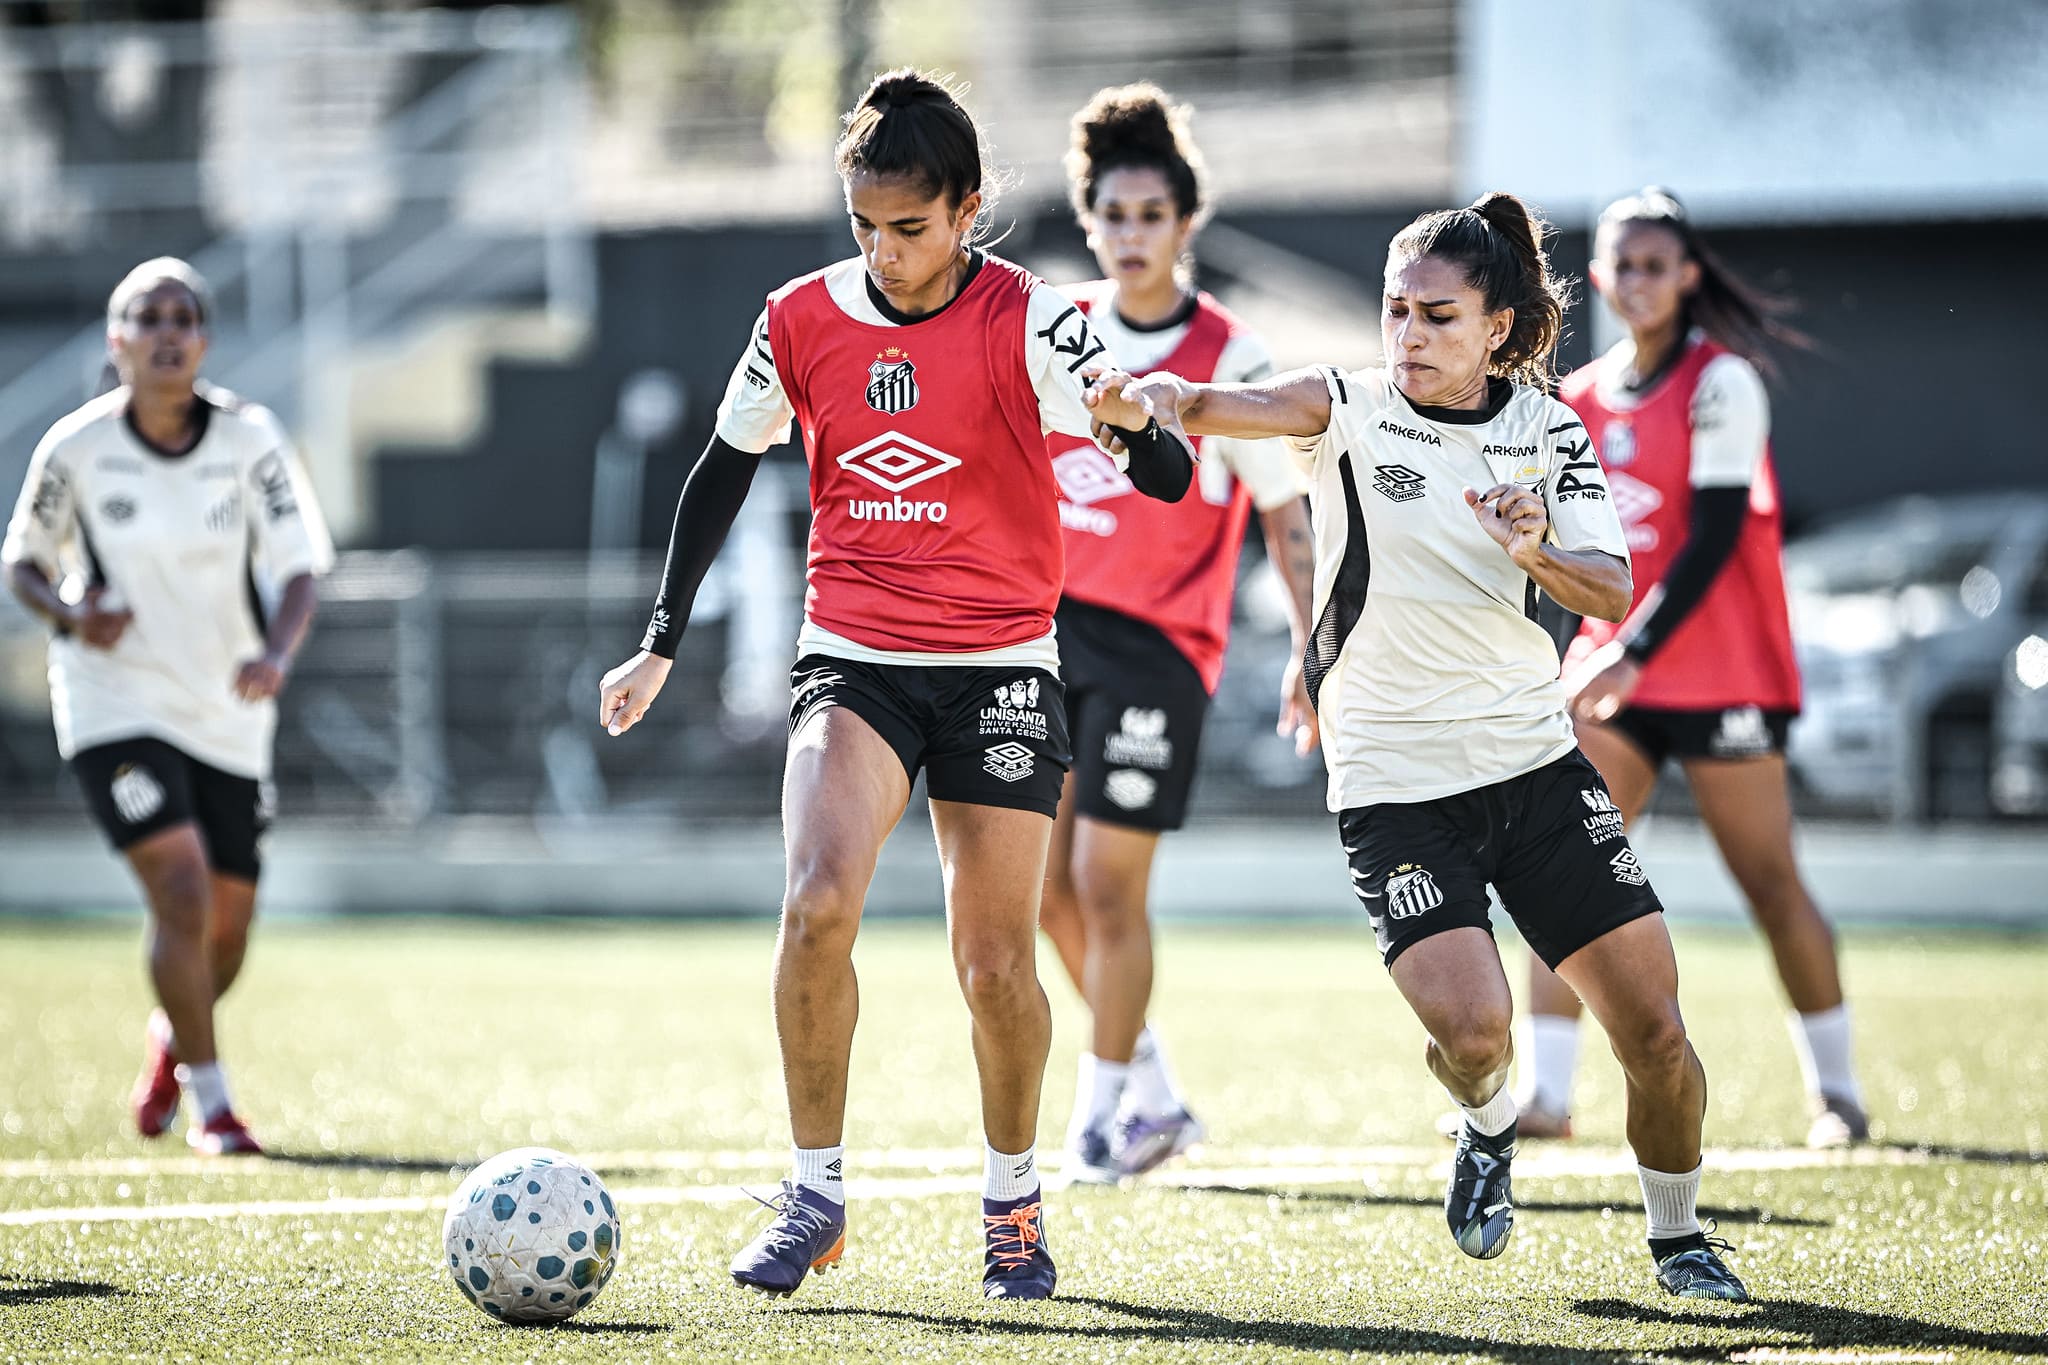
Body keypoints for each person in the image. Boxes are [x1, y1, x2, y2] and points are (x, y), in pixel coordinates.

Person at [595, 69, 1191, 1302]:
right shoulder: (797, 317)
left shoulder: (1034, 319)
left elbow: (1170, 476)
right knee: (815, 904)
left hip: (999, 669)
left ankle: (1012, 1202)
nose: (885, 253)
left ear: (967, 210)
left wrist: (1133, 427)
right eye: (864, 225)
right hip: (852, 658)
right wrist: (660, 636)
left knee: (992, 964)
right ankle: (814, 1194)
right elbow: (719, 470)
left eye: (910, 229)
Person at [1093, 192, 1751, 1300]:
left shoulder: (1544, 432)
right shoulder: (1347, 408)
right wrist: (1161, 395)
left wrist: (1532, 548)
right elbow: (1228, 400)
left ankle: (1679, 1239)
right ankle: (1486, 1124)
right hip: (1394, 785)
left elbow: (1610, 582)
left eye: (1437, 316)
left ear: (1497, 326)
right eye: (1394, 311)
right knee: (1474, 1032)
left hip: (1534, 767)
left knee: (1653, 1029)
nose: (1408, 336)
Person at [1508, 187, 1864, 1149]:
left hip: (1720, 677)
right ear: (1596, 278)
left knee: (1769, 883)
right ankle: (1547, 1095)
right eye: (1621, 264)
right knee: (1560, 875)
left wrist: (1631, 649)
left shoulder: (1722, 383)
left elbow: (1709, 542)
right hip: (1612, 681)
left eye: (1655, 264)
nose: (1637, 280)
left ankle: (1837, 1092)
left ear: (1688, 274)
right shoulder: (1575, 398)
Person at [1033, 83, 1315, 1184]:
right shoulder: (1055, 325)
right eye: (1112, 212)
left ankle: (1098, 1120)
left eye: (1152, 213)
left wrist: (1307, 644)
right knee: (1038, 895)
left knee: (1107, 887)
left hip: (1160, 649)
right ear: (1088, 217)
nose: (1130, 232)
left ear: (1184, 222)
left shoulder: (1230, 356)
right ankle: (1149, 1091)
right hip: (1039, 640)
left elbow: (1282, 513)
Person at [2, 257, 333, 1156]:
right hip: (113, 703)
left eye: (183, 316)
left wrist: (274, 654)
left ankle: (171, 1039)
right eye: (146, 317)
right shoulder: (74, 449)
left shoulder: (250, 438)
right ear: (117, 342)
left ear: (205, 340)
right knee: (181, 892)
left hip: (228, 709)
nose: (166, 332)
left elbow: (303, 566)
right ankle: (215, 1104)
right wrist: (71, 613)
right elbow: (20, 562)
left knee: (229, 930)